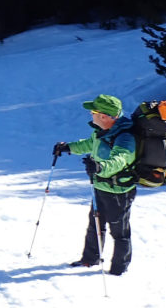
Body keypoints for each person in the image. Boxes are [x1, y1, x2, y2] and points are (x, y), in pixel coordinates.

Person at [53, 94, 137, 276]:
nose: (90, 115)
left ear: (104, 116)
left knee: (119, 231)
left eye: (93, 112)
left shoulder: (125, 137)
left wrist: (100, 167)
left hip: (118, 191)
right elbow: (90, 144)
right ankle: (90, 259)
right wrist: (68, 147)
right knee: (95, 224)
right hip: (100, 187)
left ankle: (118, 269)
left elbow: (120, 160)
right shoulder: (101, 131)